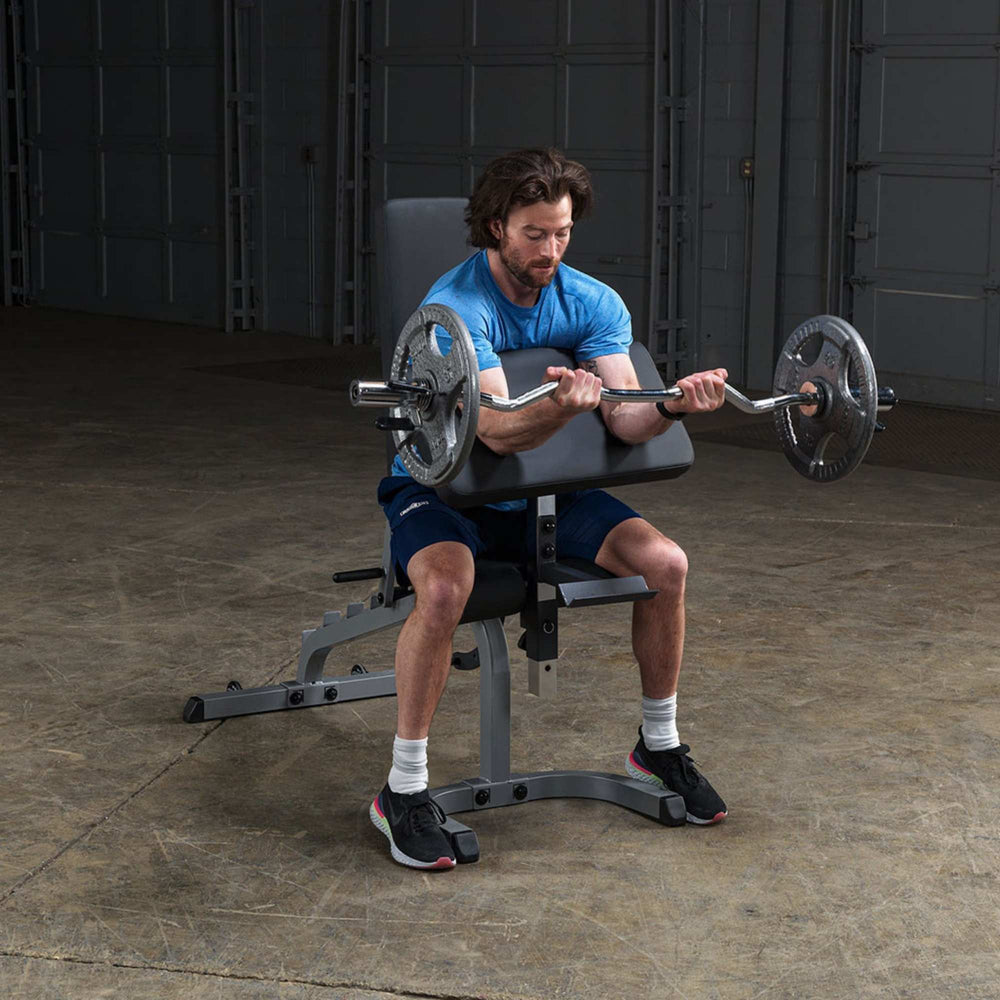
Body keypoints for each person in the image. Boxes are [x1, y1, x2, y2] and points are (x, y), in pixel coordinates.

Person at [369, 148, 729, 870]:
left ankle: (656, 747)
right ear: (497, 226)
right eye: (535, 234)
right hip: (442, 486)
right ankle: (402, 792)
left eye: (562, 233)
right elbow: (494, 432)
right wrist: (563, 411)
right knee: (443, 588)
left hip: (546, 495)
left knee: (666, 564)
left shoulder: (592, 300)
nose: (551, 250)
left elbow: (627, 421)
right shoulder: (457, 307)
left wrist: (668, 406)